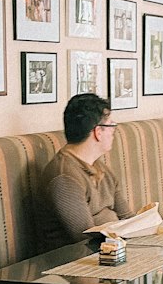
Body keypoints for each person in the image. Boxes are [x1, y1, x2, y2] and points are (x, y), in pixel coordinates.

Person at [38, 93, 131, 248]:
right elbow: (86, 239)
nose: (114, 131)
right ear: (98, 132)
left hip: (113, 249)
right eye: (111, 125)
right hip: (81, 260)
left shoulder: (101, 168)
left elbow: (127, 218)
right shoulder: (64, 177)